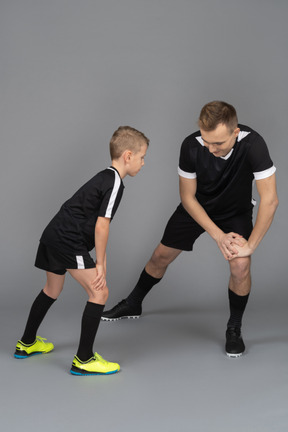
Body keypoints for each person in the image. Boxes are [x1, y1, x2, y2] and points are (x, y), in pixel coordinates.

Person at [102, 101, 279, 358]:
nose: (211, 148)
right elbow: (187, 197)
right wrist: (217, 236)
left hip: (235, 212)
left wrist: (251, 245)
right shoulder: (191, 145)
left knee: (241, 265)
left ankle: (234, 327)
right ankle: (133, 303)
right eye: (207, 141)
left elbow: (270, 200)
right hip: (197, 207)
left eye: (218, 143)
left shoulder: (254, 144)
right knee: (160, 256)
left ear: (235, 132)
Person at [14, 126, 149, 375]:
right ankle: (84, 360)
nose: (143, 163)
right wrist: (99, 263)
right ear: (128, 156)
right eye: (142, 158)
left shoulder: (104, 177)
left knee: (52, 289)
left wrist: (102, 259)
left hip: (52, 236)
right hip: (67, 241)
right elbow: (102, 224)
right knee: (100, 292)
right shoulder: (115, 183)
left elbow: (94, 222)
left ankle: (27, 343)